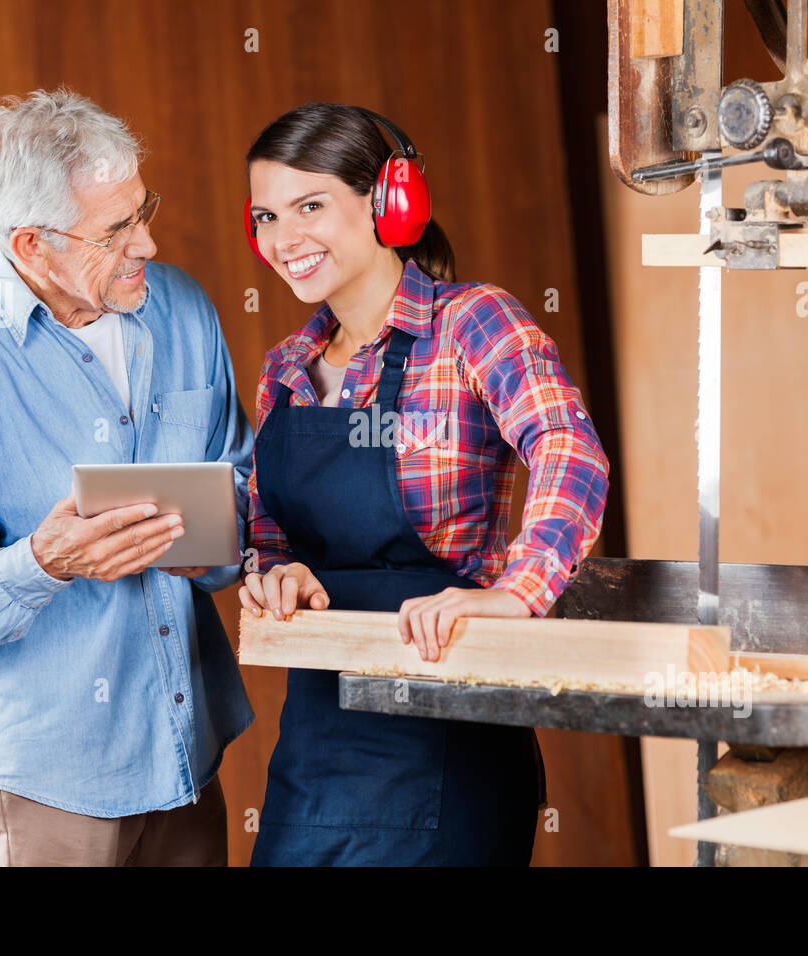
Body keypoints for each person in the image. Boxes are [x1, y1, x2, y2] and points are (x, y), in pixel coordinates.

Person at [0, 88, 254, 866]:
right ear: (33, 246)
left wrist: (212, 542)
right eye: (116, 230)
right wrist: (44, 563)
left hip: (185, 753)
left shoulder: (183, 309)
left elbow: (244, 483)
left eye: (142, 210)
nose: (147, 242)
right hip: (46, 783)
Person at [240, 102, 610, 865]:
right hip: (318, 746)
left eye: (311, 206)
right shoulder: (283, 371)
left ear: (388, 201)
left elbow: (568, 448)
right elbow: (271, 536)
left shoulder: (473, 323)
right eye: (268, 216)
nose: (286, 238)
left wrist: (519, 590)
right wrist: (276, 578)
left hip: (448, 732)